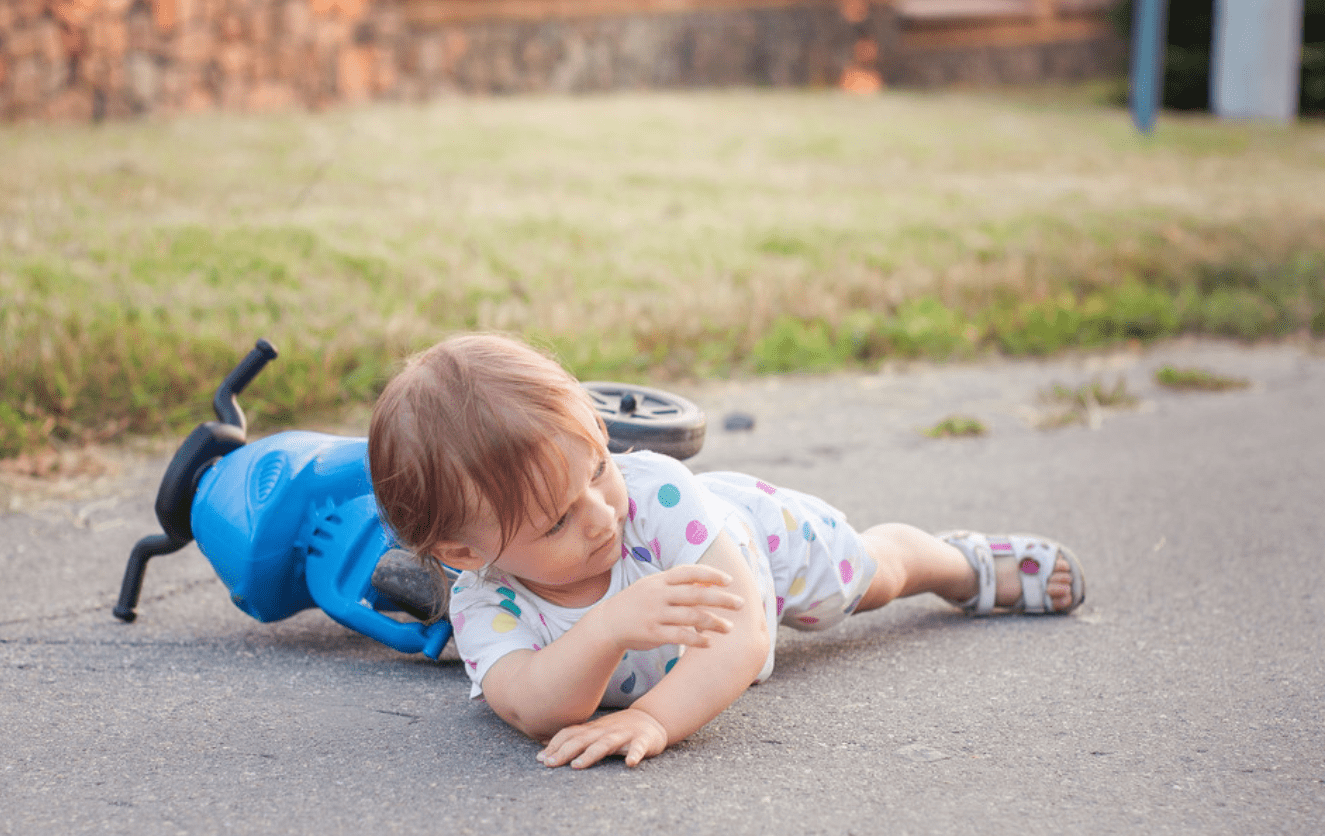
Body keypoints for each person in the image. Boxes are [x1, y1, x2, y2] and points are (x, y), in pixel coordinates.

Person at [367, 333, 1085, 770]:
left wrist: (654, 718)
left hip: (751, 545)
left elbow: (743, 635)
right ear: (464, 551)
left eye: (598, 467)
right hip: (680, 611)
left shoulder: (653, 499)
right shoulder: (485, 601)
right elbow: (531, 707)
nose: (600, 517)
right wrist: (608, 629)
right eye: (556, 522)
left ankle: (957, 565)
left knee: (869, 578)